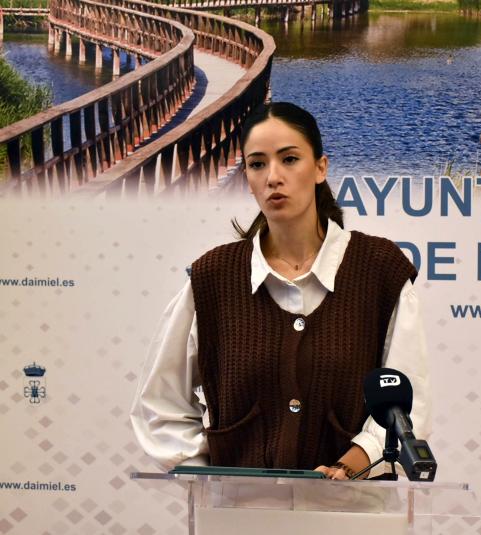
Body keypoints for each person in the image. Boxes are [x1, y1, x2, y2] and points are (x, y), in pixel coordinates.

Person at [130, 102, 430, 480]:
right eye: (257, 164)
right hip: (237, 510)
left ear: (320, 168)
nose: (273, 177)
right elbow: (160, 407)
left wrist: (356, 462)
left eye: (289, 159)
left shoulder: (380, 270)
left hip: (352, 508)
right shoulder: (213, 278)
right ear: (246, 177)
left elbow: (410, 405)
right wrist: (216, 475)